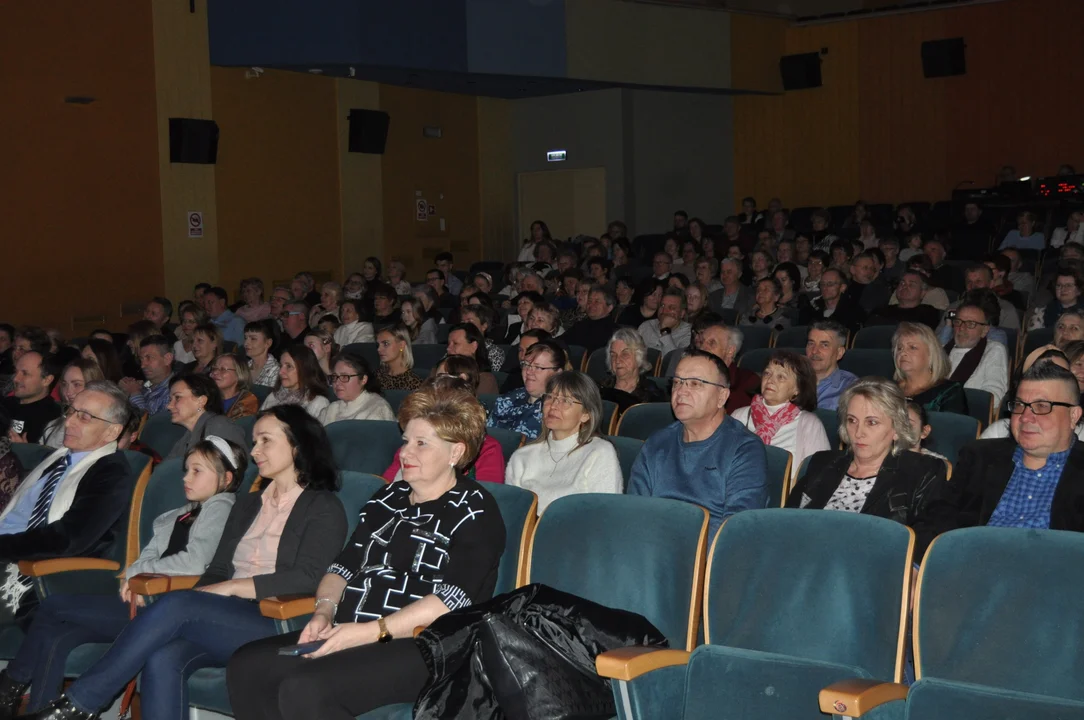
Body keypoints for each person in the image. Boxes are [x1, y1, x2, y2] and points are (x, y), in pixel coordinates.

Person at [24, 405, 347, 720]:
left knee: (178, 604)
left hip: (278, 621)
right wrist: (209, 593)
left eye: (266, 440)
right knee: (164, 656)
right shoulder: (248, 505)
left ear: (296, 445)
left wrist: (229, 589)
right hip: (229, 617)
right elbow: (218, 570)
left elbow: (308, 577)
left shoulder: (323, 506)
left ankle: (79, 704)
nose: (255, 448)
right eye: (255, 440)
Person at [227, 386, 504, 720]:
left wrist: (373, 631)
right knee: (247, 664)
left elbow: (454, 598)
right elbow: (342, 567)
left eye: (421, 443)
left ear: (455, 452)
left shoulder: (474, 510)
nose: (405, 453)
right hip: (353, 628)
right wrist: (324, 612)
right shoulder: (388, 498)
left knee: (304, 686)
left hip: (424, 646)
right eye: (405, 441)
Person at [0, 437, 244, 714]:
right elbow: (145, 558)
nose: (186, 478)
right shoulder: (176, 516)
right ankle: (42, 711)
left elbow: (195, 562)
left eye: (197, 471)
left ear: (226, 479)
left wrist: (136, 577)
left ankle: (9, 685)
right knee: (58, 634)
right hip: (145, 601)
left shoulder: (222, 506)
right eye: (186, 470)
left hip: (167, 610)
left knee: (54, 606)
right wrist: (135, 575)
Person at [915, 362, 1084, 554]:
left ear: (1073, 415)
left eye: (1042, 406)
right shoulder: (979, 457)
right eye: (1020, 405)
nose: (1025, 417)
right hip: (972, 569)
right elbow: (936, 519)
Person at [0, 382, 133, 625]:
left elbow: (68, 539)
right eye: (70, 411)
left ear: (112, 432)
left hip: (30, 567)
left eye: (84, 417)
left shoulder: (110, 473)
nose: (69, 422)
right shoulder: (57, 458)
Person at [628, 349, 767, 537]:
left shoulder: (744, 449)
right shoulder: (656, 443)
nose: (681, 391)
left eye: (695, 383)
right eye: (677, 382)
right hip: (652, 551)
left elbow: (736, 532)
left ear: (722, 397)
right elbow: (634, 513)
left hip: (706, 558)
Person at [787, 378, 946, 523]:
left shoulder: (922, 472)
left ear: (896, 429)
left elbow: (923, 542)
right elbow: (786, 522)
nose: (858, 432)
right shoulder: (822, 463)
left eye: (872, 422)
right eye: (852, 420)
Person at [505, 371, 622, 511]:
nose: (553, 405)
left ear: (586, 414)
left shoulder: (599, 453)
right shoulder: (522, 457)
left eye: (566, 401)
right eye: (550, 397)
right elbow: (512, 515)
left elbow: (604, 514)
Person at [384, 363, 506, 484]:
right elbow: (386, 484)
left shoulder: (487, 448)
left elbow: (487, 494)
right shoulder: (413, 442)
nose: (405, 453)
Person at [731, 351, 830, 477]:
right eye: (767, 373)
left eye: (781, 377)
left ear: (797, 389)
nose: (770, 380)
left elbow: (820, 475)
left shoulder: (809, 424)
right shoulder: (739, 416)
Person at [487, 340, 566, 440]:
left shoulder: (560, 410)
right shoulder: (508, 399)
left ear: (557, 373)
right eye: (526, 364)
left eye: (538, 367)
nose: (528, 371)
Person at [165, 373, 247, 461]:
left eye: (177, 397)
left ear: (201, 401)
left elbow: (229, 469)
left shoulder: (220, 426)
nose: (169, 406)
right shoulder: (187, 437)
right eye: (170, 400)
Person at [944, 300, 1010, 407]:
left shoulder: (994, 350)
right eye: (958, 322)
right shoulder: (942, 350)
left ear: (984, 330)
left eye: (971, 324)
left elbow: (993, 397)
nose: (961, 328)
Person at [893, 322, 968, 414]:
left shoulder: (950, 392)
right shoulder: (889, 389)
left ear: (931, 354)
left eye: (912, 347)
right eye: (900, 348)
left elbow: (950, 427)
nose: (902, 353)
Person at [36, 359, 106, 450]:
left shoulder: (101, 427)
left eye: (77, 384)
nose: (68, 392)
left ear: (94, 386)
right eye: (65, 384)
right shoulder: (54, 424)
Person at [598, 328, 666, 414]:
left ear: (639, 357)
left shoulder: (651, 394)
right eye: (613, 355)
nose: (617, 360)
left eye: (625, 354)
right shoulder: (600, 389)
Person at [3, 351, 61, 444]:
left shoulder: (53, 419)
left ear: (46, 380)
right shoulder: (4, 404)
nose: (15, 378)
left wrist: (25, 451)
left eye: (25, 373)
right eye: (16, 372)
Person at [260, 346, 331, 420]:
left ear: (305, 370)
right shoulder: (273, 396)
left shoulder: (318, 402)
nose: (281, 372)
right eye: (281, 366)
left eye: (289, 366)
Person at [322, 352, 394, 425]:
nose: (337, 383)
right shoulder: (331, 409)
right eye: (334, 377)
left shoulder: (378, 409)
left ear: (363, 379)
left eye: (344, 376)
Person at [804, 321, 858, 411]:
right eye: (811, 343)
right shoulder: (791, 379)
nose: (814, 351)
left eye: (824, 345)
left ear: (839, 353)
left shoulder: (851, 388)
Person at [119, 335, 174, 416]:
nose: (142, 365)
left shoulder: (173, 392)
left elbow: (149, 424)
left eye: (149, 358)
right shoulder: (146, 385)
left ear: (167, 359)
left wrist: (134, 392)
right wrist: (126, 392)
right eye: (141, 359)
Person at [868, 270, 942, 330]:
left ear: (922, 292)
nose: (905, 287)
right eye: (902, 283)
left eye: (911, 284)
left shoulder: (929, 313)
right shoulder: (880, 311)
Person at [562, 285, 619, 355]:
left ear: (609, 307)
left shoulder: (614, 333)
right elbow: (561, 341)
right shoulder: (580, 325)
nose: (591, 305)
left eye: (597, 302)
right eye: (589, 301)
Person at [446, 323, 499, 395]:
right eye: (448, 344)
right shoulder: (442, 372)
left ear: (474, 346)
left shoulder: (485, 379)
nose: (448, 348)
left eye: (455, 343)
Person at [808, 268, 865, 333]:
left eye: (830, 284)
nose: (825, 288)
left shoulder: (854, 311)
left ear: (842, 287)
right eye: (822, 284)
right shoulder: (812, 308)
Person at [1028, 266, 1084, 330]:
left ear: (1079, 290)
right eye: (1059, 285)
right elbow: (1033, 337)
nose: (1063, 289)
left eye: (1068, 285)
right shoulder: (1043, 313)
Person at [638, 288, 692, 354]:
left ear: (682, 313)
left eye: (672, 308)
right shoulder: (646, 326)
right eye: (662, 306)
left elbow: (675, 361)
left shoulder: (689, 333)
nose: (664, 311)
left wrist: (665, 330)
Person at [211, 354, 260, 421]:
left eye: (223, 369)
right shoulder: (206, 395)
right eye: (214, 368)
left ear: (239, 374)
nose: (215, 372)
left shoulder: (247, 402)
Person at [376, 325, 423, 392]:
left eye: (386, 344)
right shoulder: (376, 377)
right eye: (378, 345)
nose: (379, 349)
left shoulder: (414, 383)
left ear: (401, 345)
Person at [460, 304, 505, 372]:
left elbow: (491, 377)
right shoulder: (456, 346)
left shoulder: (494, 352)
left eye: (470, 322)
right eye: (462, 322)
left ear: (484, 326)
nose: (465, 326)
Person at [244, 320, 280, 389]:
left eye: (253, 339)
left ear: (268, 343)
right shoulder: (244, 367)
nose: (246, 343)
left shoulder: (275, 371)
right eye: (245, 338)